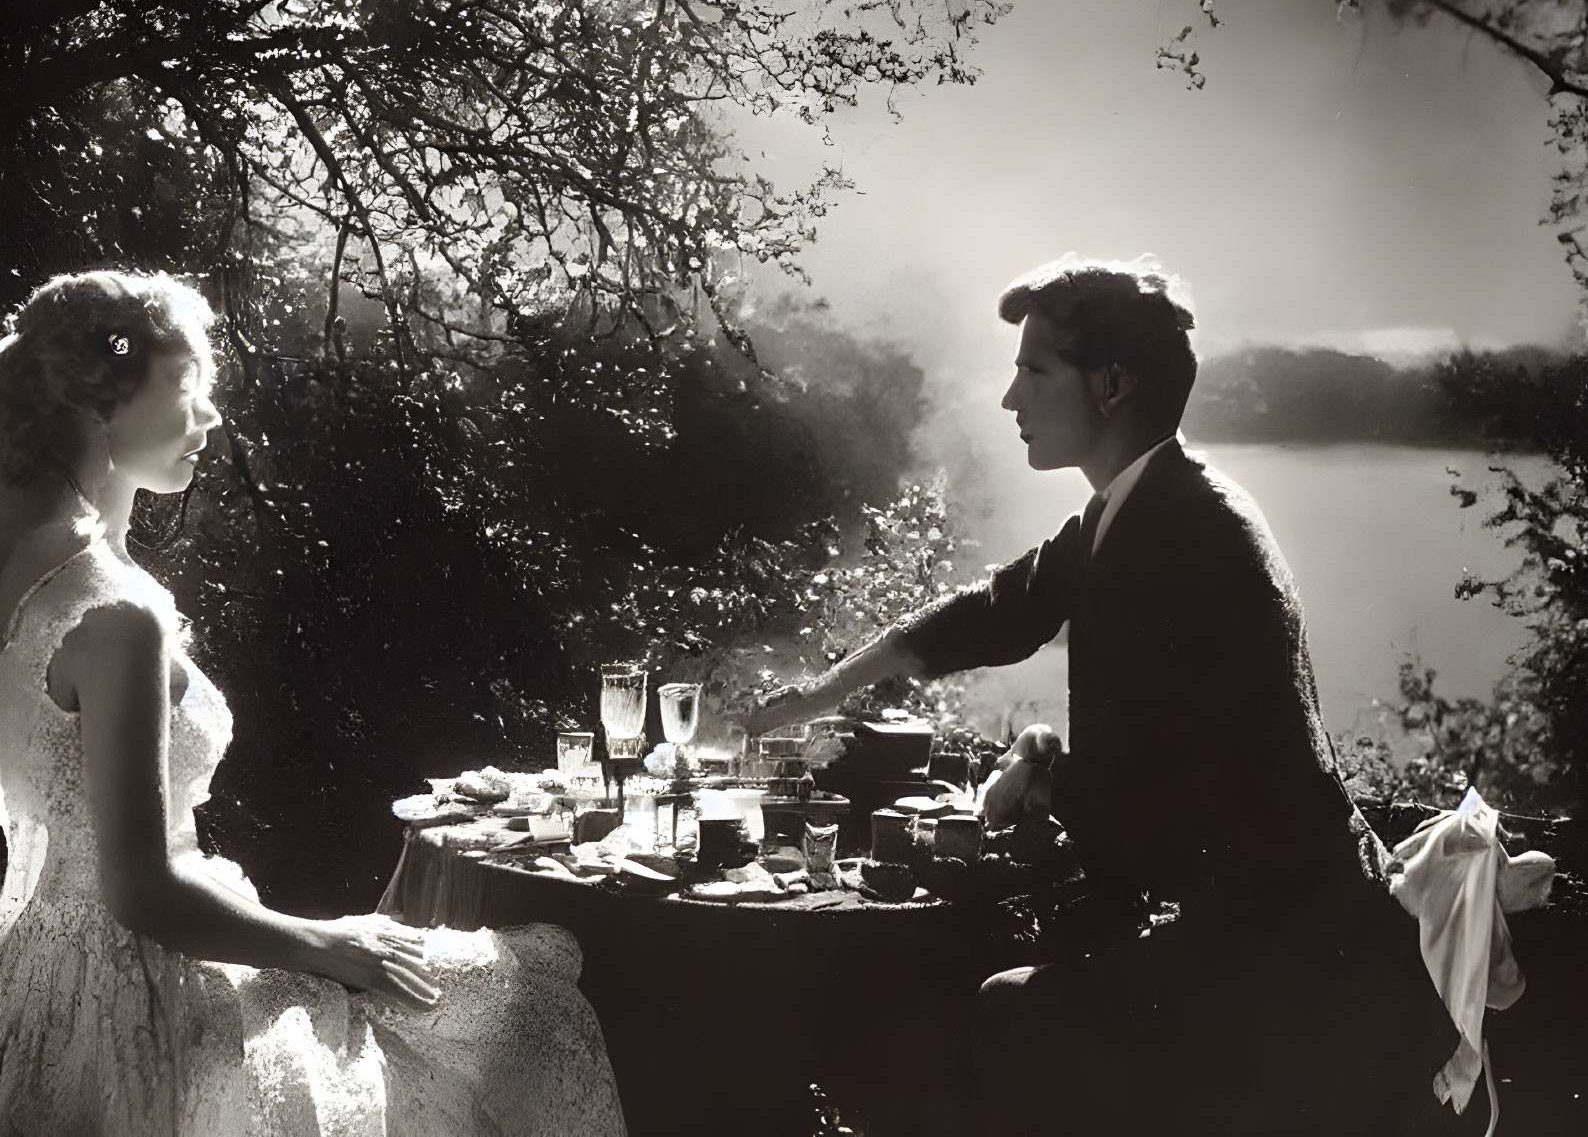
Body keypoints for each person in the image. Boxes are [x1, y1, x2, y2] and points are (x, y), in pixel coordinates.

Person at [737, 256, 1461, 1135]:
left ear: (1111, 384)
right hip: (1282, 924)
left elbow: (1168, 813)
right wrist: (810, 697)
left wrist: (1039, 780)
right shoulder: (1146, 503)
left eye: (1034, 370)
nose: (1010, 399)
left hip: (1292, 957)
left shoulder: (1180, 536)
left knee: (1006, 1009)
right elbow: (1001, 608)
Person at [0, 271, 626, 1135]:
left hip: (38, 968)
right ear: (101, 402)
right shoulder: (112, 609)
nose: (212, 418)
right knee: (533, 1001)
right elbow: (141, 889)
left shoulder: (23, 578)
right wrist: (333, 945)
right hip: (137, 980)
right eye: (189, 389)